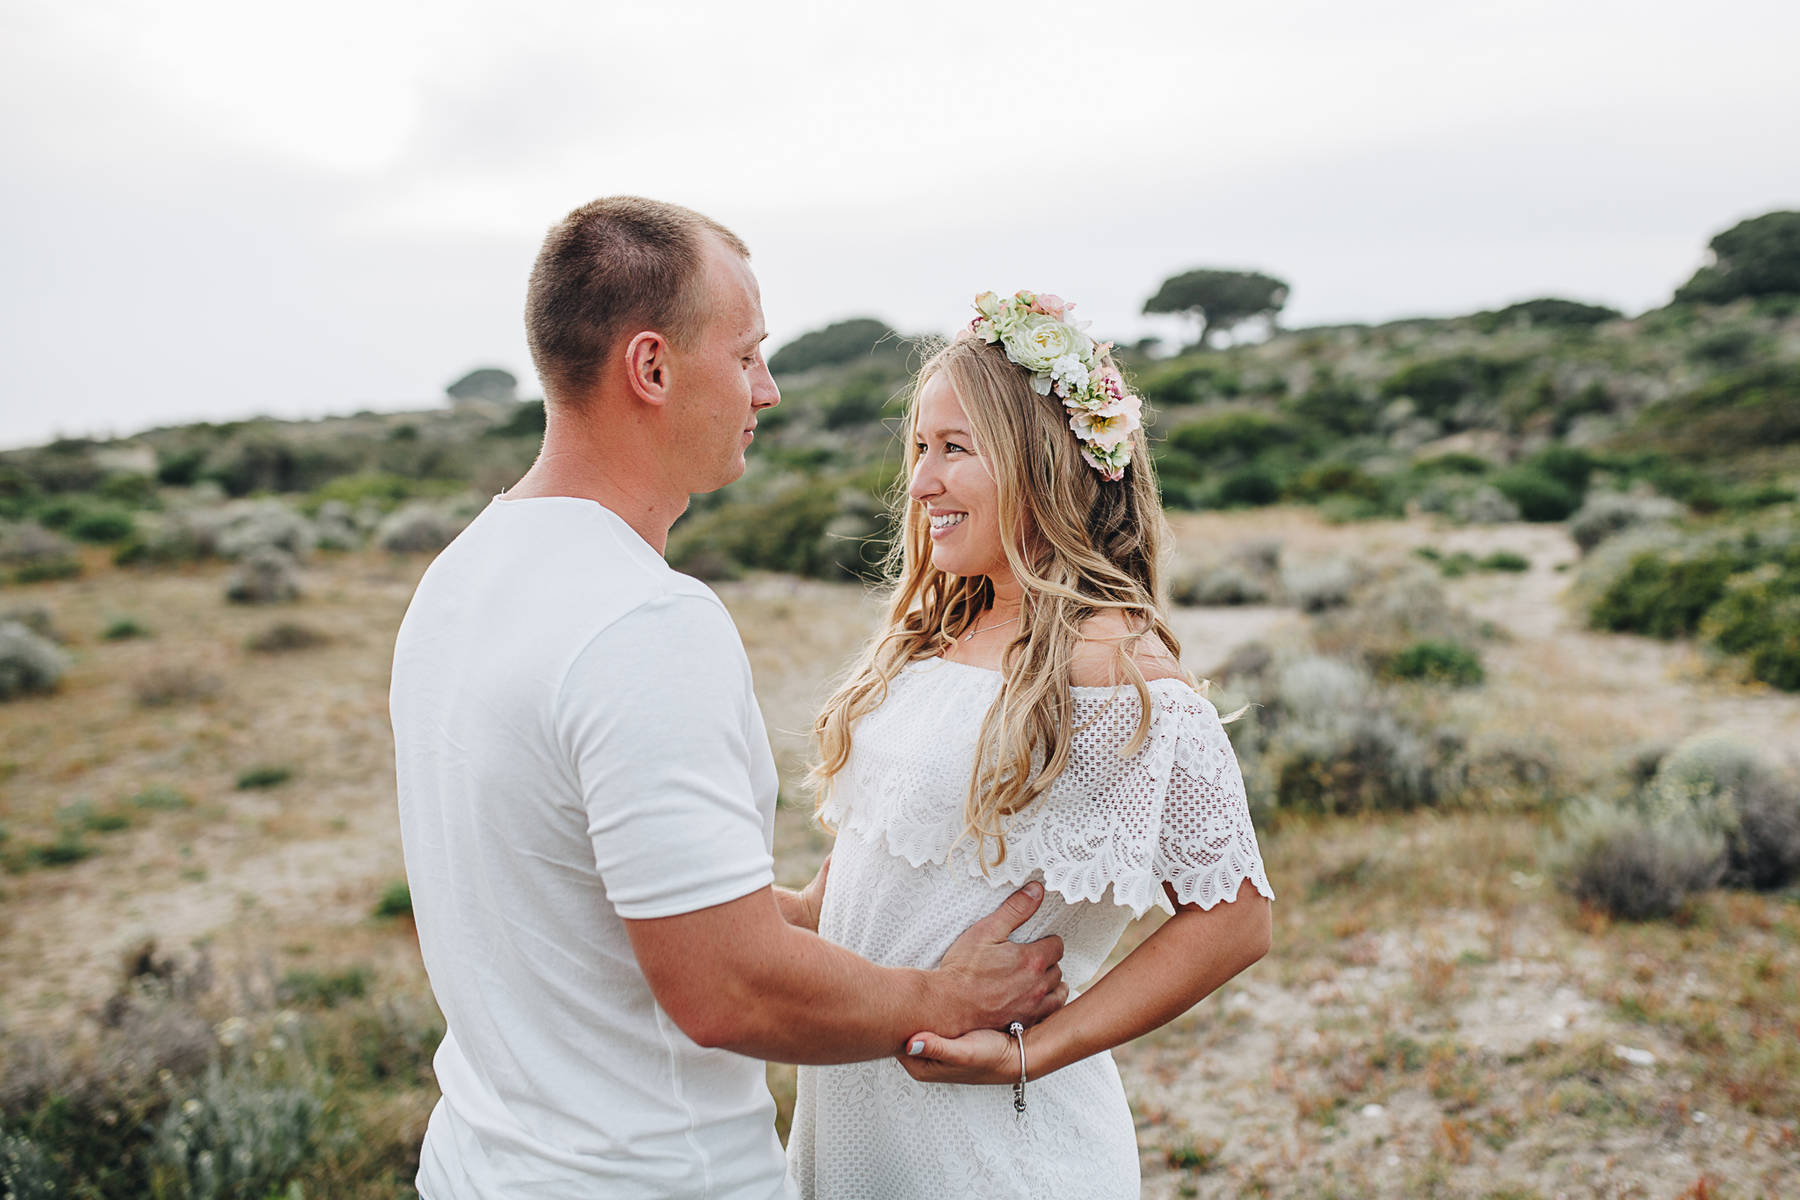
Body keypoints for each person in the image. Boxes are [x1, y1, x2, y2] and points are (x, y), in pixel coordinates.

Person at [390, 202, 1067, 1199]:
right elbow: (724, 986)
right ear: (652, 368)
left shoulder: (457, 577)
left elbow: (586, 900)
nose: (769, 388)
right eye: (747, 355)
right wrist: (943, 995)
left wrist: (816, 908)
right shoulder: (641, 622)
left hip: (476, 1168)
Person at [787, 291, 1276, 1197]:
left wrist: (1037, 1051)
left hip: (997, 1152)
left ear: (1041, 462)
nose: (922, 482)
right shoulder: (929, 645)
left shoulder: (1116, 667)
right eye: (920, 450)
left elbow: (1236, 917)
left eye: (955, 449)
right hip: (853, 1123)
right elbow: (848, 895)